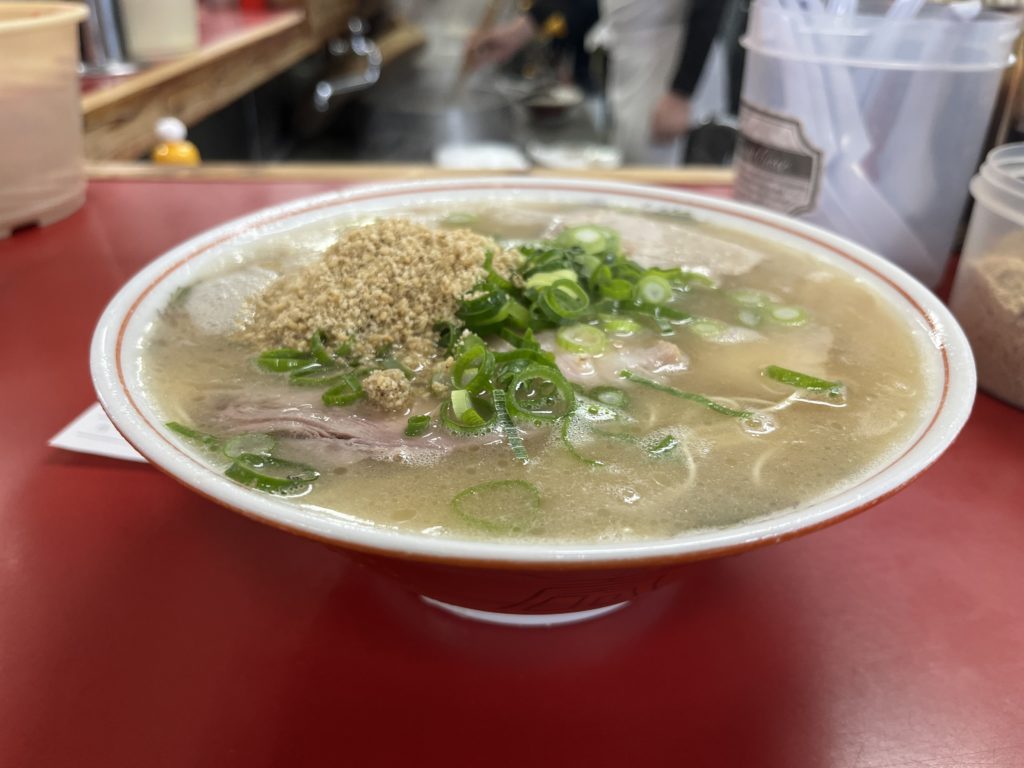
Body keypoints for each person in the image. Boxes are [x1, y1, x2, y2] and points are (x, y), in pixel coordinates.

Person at [468, 0, 727, 165]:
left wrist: (680, 93)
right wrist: (519, 31)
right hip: (633, 59)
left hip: (674, 63)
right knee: (633, 163)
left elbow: (711, 6)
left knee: (663, 177)